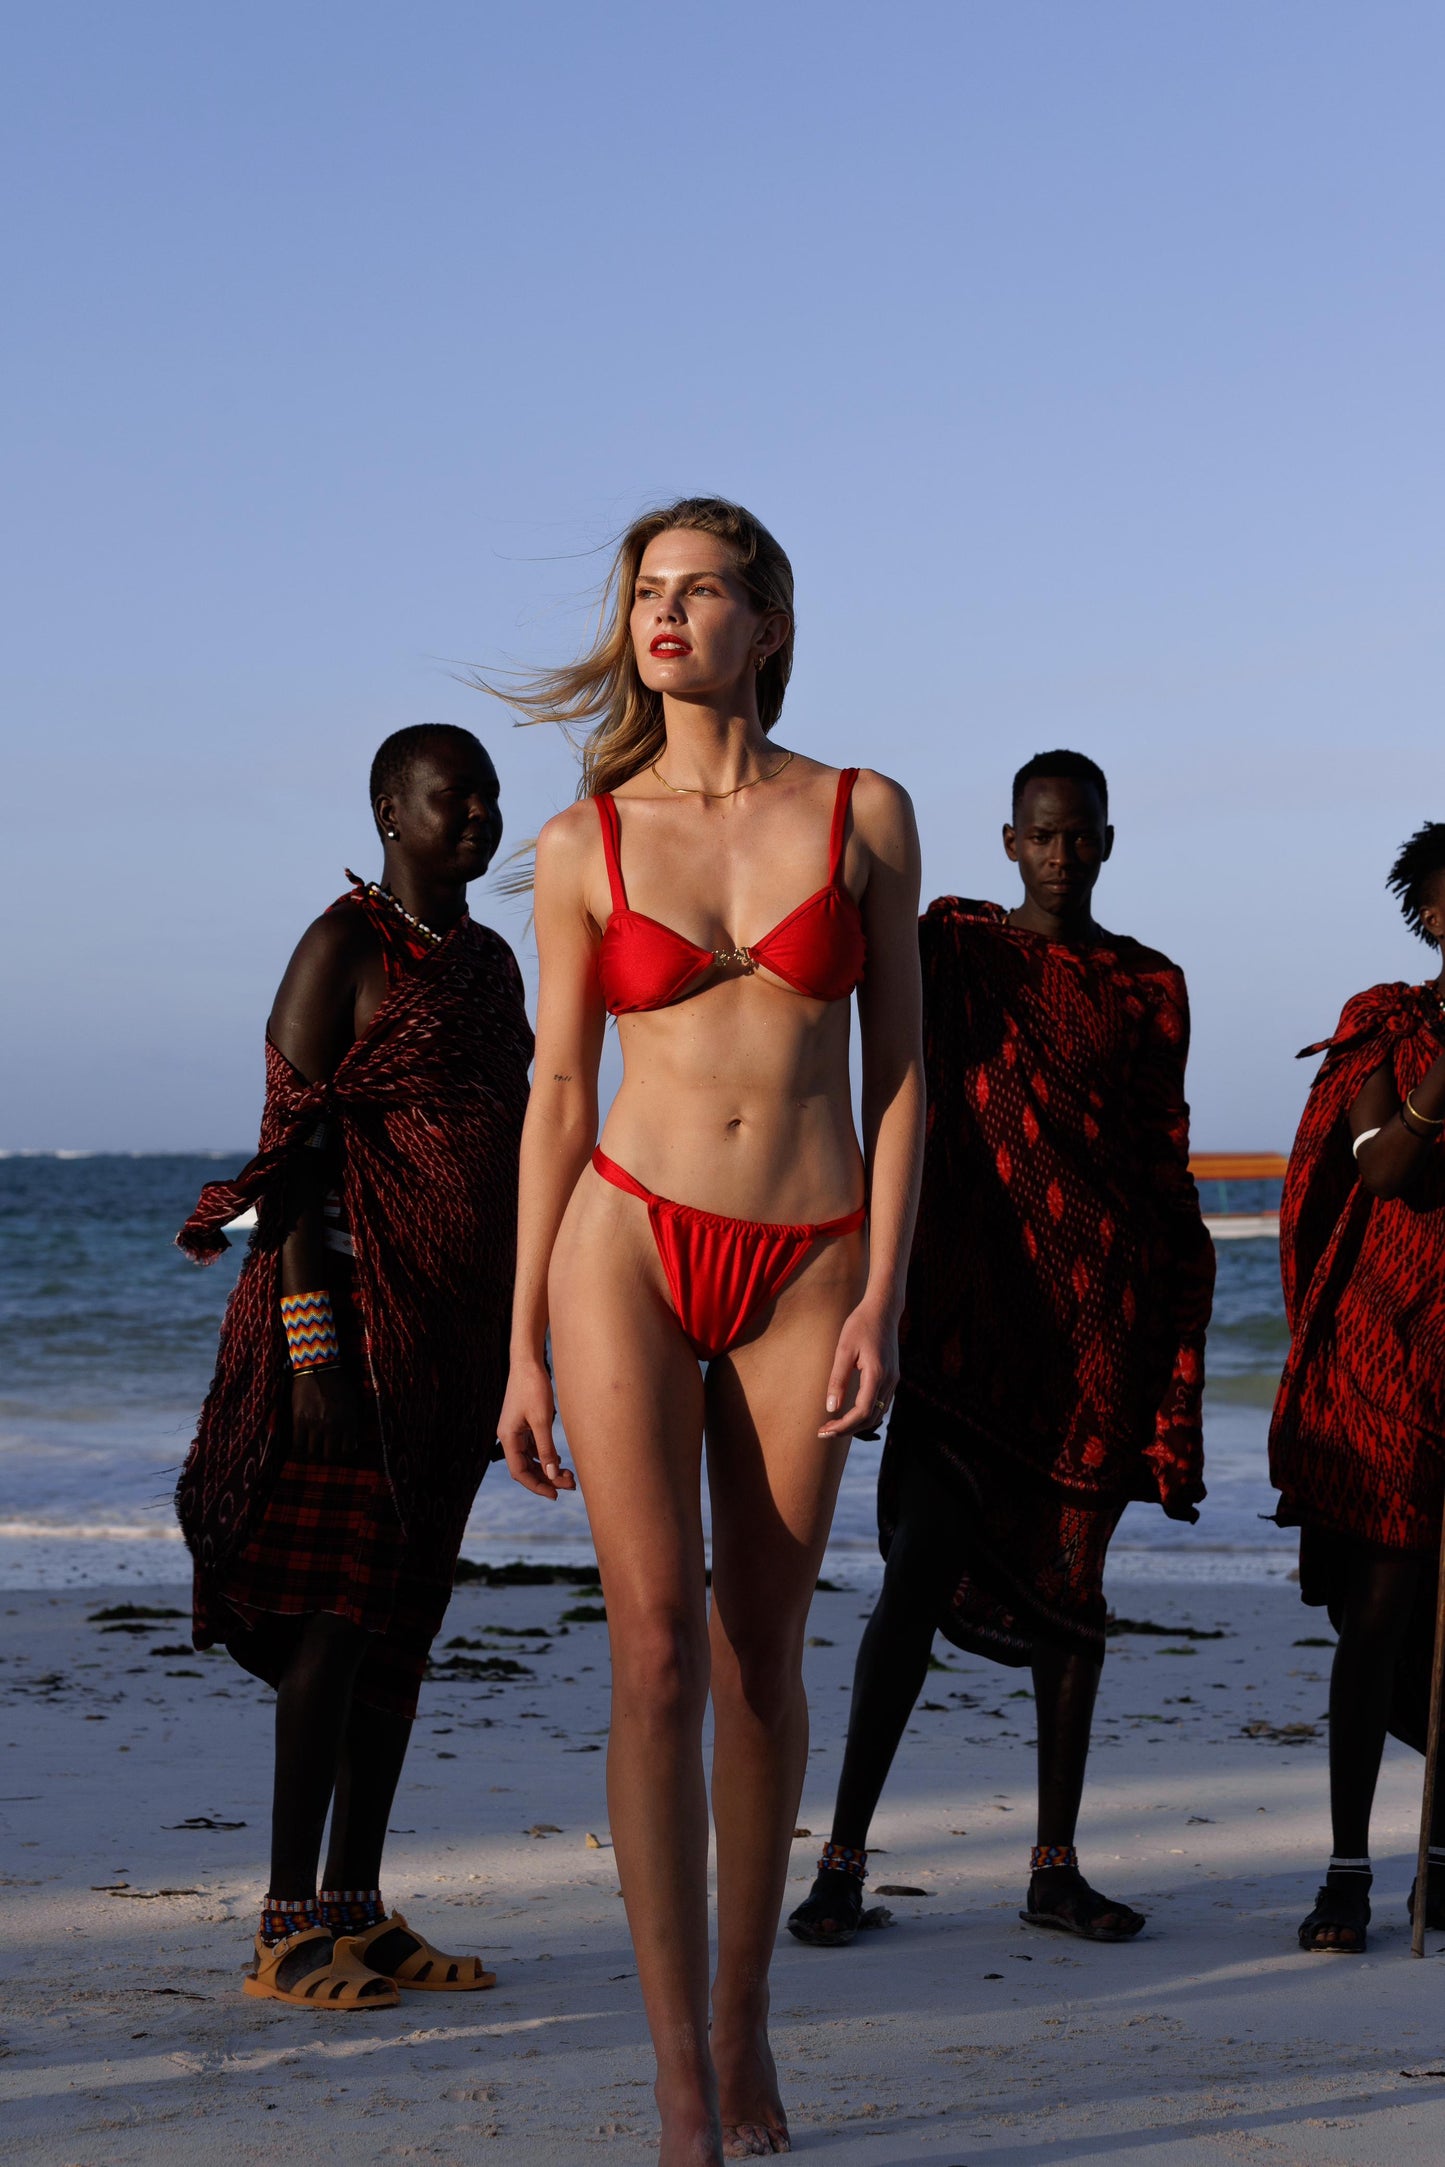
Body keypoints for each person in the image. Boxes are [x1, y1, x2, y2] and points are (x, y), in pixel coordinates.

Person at [491, 497, 922, 2163]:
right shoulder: (587, 842)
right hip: (626, 1241)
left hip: (811, 1257)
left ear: (770, 624)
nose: (665, 616)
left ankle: (746, 2024)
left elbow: (901, 1082)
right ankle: (680, 2080)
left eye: (702, 591)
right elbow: (552, 1093)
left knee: (763, 1654)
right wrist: (521, 1334)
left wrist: (889, 1288)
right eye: (647, 593)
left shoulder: (863, 812)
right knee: (654, 1647)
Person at [789, 750, 1215, 1951]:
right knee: (914, 1571)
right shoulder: (953, 953)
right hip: (964, 1318)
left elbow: (1157, 1154)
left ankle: (1052, 1867)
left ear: (1106, 844)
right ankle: (839, 1861)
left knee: (1071, 1606)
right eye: (1041, 835)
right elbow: (845, 989)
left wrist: (1173, 1341)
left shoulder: (1150, 986)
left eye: (1081, 836)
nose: (1062, 855)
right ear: (1009, 842)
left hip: (1095, 1332)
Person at [176, 724, 533, 2008]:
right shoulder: (343, 946)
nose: (481, 818)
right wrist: (312, 1355)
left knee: (398, 1632)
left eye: (492, 797)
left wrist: (518, 1347)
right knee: (331, 1624)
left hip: (453, 1346)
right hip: (342, 1340)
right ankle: (284, 1929)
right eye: (455, 798)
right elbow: (291, 1167)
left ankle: (359, 1908)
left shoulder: (487, 964)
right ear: (392, 807)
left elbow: (515, 1146)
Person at [1271, 821, 1445, 1955]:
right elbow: (1382, 1162)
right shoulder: (1382, 1026)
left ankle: (1438, 1857)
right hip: (1383, 1357)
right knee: (1377, 1614)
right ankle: (1345, 1871)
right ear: (1427, 914)